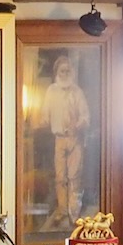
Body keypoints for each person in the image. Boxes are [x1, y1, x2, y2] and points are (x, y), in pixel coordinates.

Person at [44, 53, 92, 227]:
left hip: (74, 139)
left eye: (67, 71)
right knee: (60, 177)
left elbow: (86, 116)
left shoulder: (77, 93)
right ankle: (62, 210)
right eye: (62, 71)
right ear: (57, 72)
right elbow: (45, 115)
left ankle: (73, 212)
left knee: (74, 177)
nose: (64, 74)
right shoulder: (51, 92)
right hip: (59, 139)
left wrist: (77, 125)